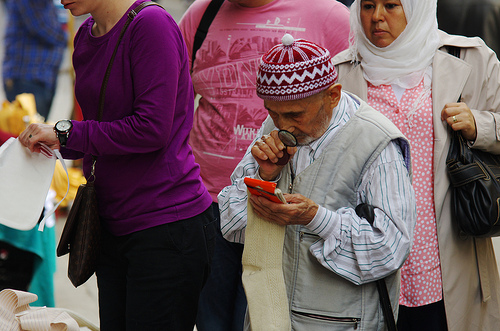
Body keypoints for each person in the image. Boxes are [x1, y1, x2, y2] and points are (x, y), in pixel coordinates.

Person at [19, 0, 216, 330]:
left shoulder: (151, 25)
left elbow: (152, 129)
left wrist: (67, 133)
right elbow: (102, 127)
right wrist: (56, 143)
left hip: (164, 223)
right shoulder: (85, 35)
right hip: (111, 222)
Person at [218, 34, 416, 330]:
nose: (283, 126)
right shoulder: (274, 127)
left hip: (345, 322)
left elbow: (390, 249)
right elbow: (229, 224)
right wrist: (264, 176)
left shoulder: (376, 143)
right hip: (272, 317)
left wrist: (316, 218)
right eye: (273, 112)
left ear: (333, 95)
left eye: (295, 114)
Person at [178, 1, 351, 330]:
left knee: (264, 317)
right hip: (205, 202)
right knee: (209, 319)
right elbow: (172, 98)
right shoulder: (202, 14)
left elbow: (349, 110)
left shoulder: (329, 16)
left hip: (284, 212)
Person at [332, 0, 500, 329]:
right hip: (370, 259)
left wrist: (479, 126)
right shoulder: (340, 74)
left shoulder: (469, 59)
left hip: (446, 258)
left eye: (391, 5)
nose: (377, 17)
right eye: (367, 6)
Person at [2, 0, 66, 121]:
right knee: (30, 133)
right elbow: (45, 29)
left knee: (37, 130)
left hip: (41, 78)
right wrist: (79, 35)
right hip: (28, 78)